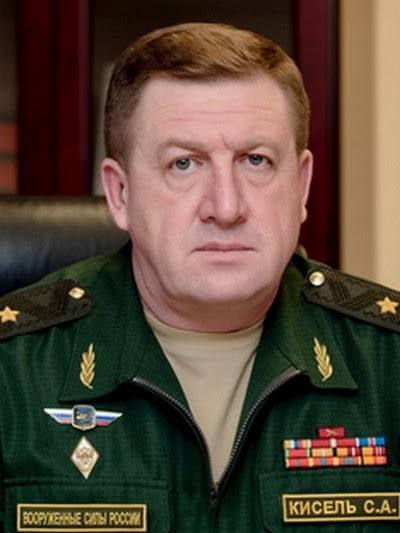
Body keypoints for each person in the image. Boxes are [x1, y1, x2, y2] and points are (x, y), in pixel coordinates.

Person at [1, 22, 400, 533]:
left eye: (255, 161)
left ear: (301, 186)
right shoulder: (12, 371)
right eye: (184, 164)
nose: (226, 207)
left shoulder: (388, 361)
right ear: (120, 194)